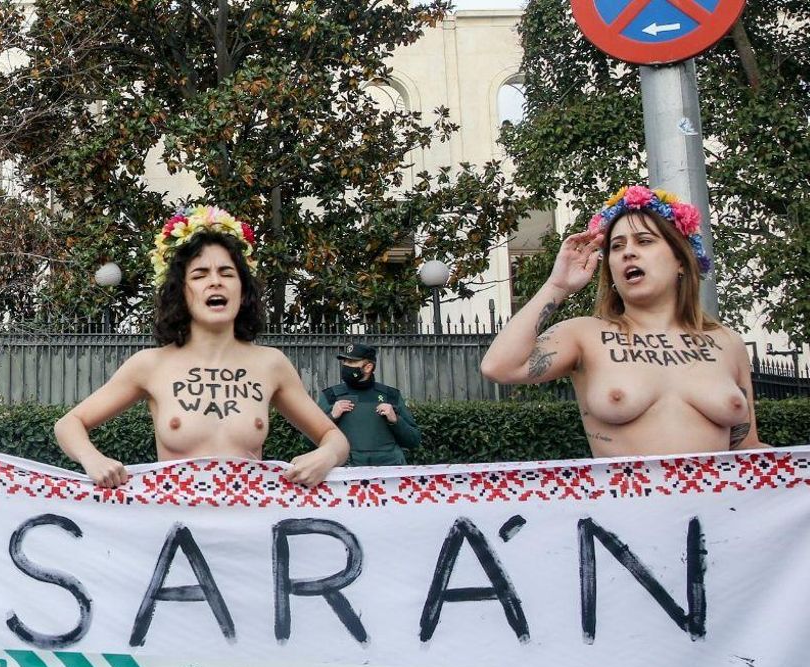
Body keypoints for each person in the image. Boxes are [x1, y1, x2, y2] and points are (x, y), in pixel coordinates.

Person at [55, 205, 349, 487]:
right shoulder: (150, 365)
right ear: (181, 291)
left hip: (248, 528)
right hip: (177, 527)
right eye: (199, 275)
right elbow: (69, 424)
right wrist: (92, 458)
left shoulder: (271, 365)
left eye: (226, 273)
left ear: (242, 288)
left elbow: (334, 438)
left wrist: (326, 455)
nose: (215, 282)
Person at [481, 185, 765, 455]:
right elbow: (499, 367)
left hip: (718, 504)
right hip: (629, 504)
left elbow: (748, 449)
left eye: (644, 241)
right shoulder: (585, 335)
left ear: (681, 259)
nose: (628, 252)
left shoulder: (726, 342)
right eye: (616, 246)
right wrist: (557, 286)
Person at [319, 342, 422, 465]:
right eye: (345, 362)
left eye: (351, 362)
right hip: (347, 474)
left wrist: (396, 420)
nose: (345, 366)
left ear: (368, 367)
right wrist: (332, 417)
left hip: (388, 475)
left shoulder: (390, 395)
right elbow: (308, 441)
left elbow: (414, 441)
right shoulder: (331, 396)